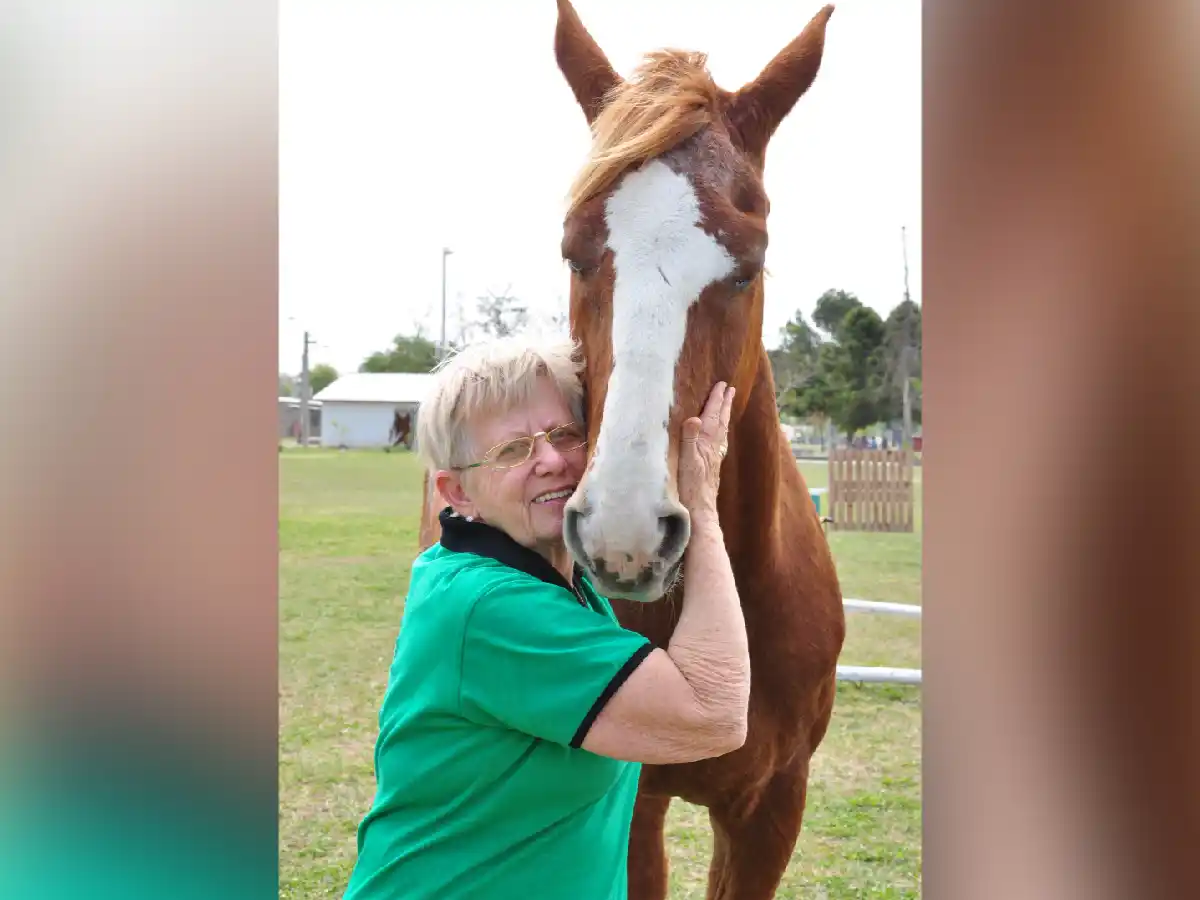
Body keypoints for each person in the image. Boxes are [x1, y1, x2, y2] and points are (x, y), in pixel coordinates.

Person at [342, 335, 749, 900]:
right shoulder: (493, 606)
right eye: (512, 451)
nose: (552, 460)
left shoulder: (555, 579)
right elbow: (712, 714)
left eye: (564, 436)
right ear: (457, 492)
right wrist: (700, 507)